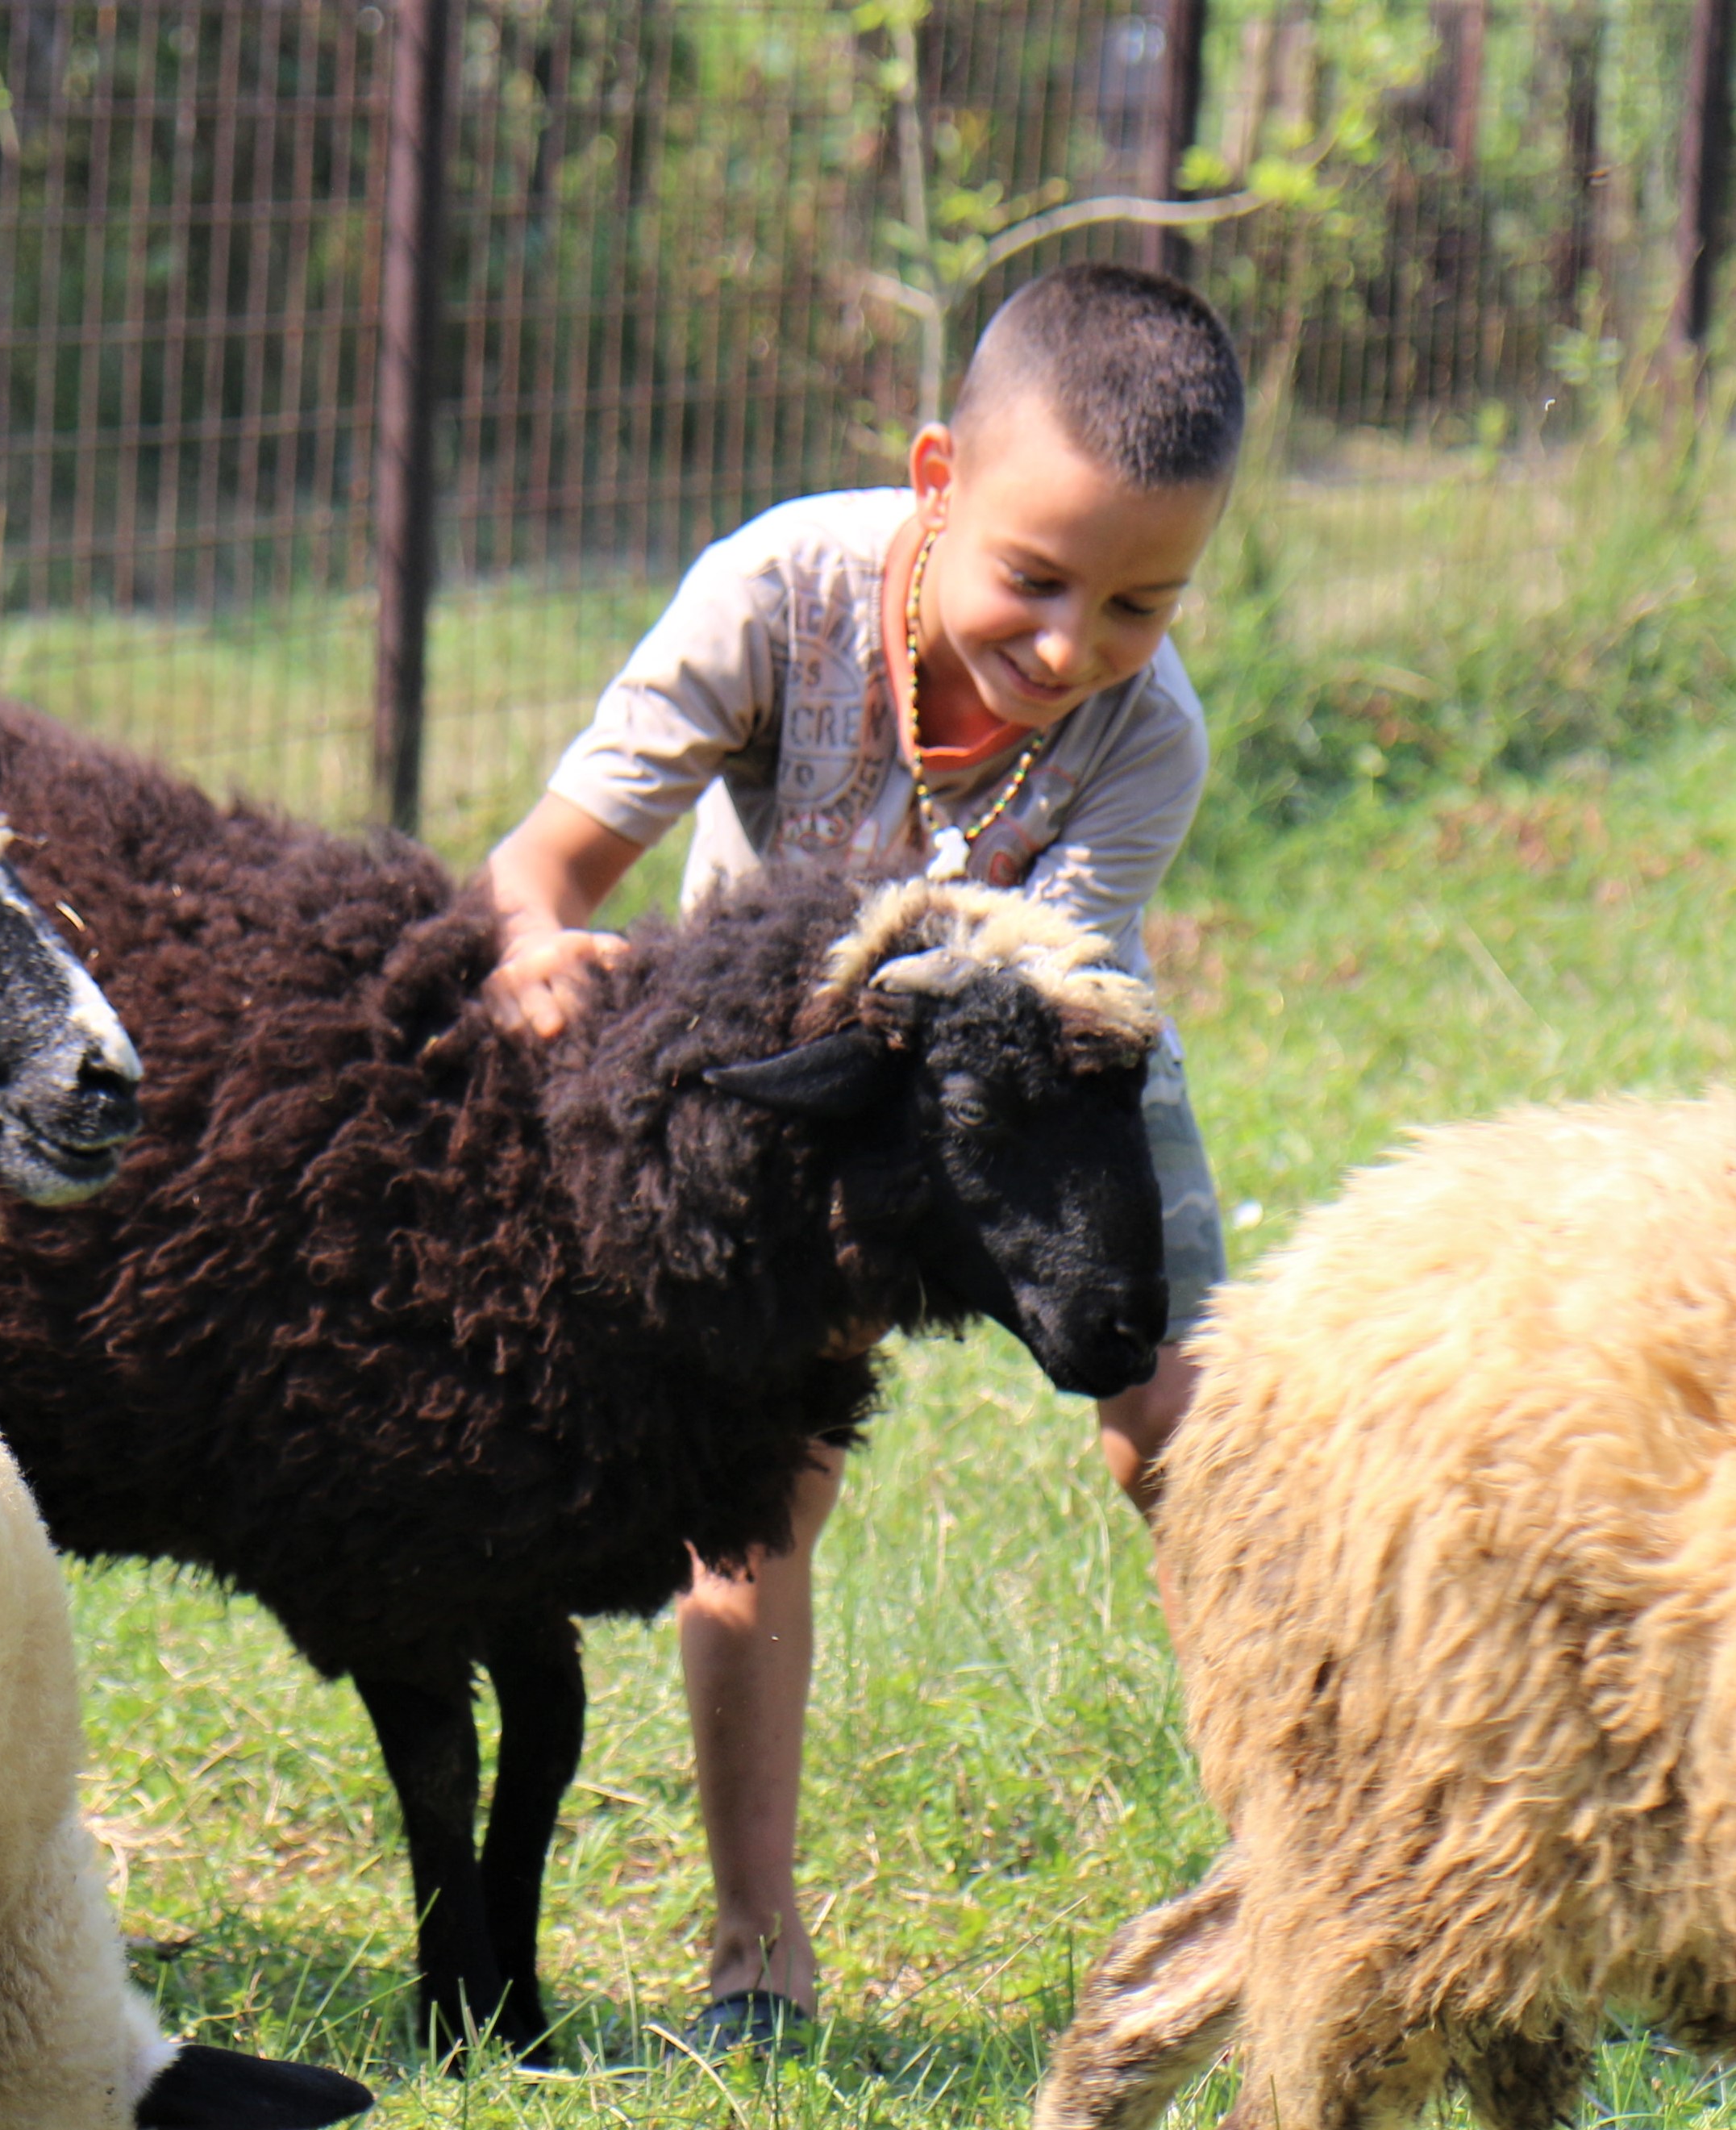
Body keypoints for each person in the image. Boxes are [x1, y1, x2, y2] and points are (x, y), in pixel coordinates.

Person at [476, 261, 1243, 2053]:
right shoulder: (773, 596)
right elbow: (546, 868)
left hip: (1042, 1063)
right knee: (760, 1491)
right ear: (932, 481)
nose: (1072, 648)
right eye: (1034, 580)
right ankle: (757, 1950)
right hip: (796, 1085)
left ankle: (1298, 1868)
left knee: (1188, 1438)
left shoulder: (1154, 735)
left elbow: (1036, 1009)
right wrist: (535, 956)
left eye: (1141, 602)